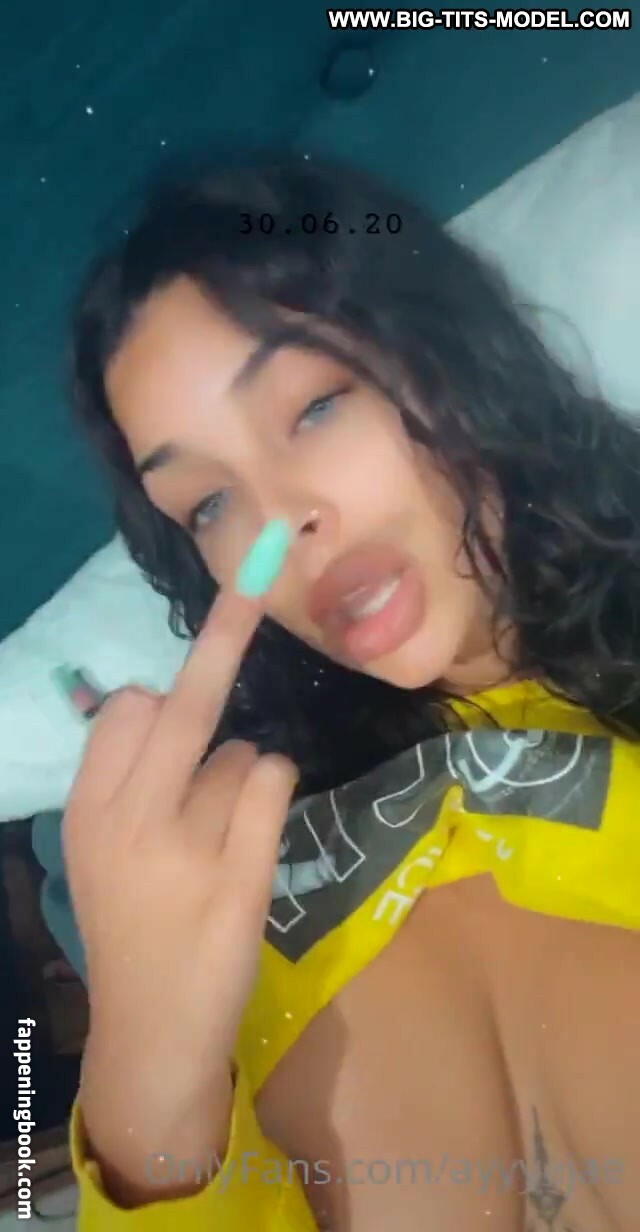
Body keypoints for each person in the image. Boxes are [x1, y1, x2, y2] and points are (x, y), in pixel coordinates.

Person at [64, 154, 640, 1231]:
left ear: (445, 350)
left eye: (317, 404)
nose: (281, 524)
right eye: (207, 504)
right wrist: (143, 1069)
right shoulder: (214, 873)